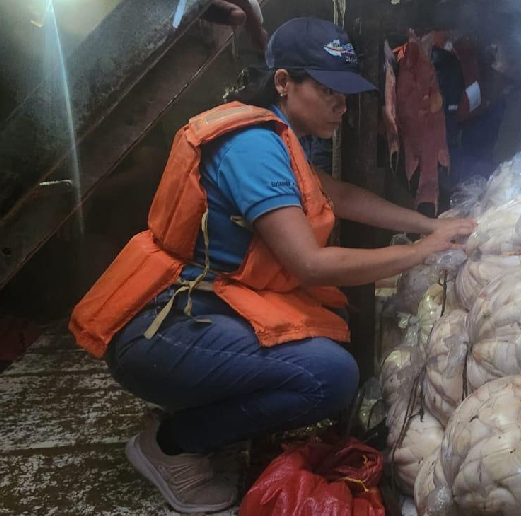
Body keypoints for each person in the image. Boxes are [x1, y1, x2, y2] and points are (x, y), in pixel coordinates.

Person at [69, 17, 475, 514]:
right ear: (284, 82)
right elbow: (310, 263)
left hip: (196, 310)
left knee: (329, 327)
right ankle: (172, 444)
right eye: (328, 90)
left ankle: (195, 410)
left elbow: (340, 195)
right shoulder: (253, 145)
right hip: (160, 328)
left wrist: (426, 225)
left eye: (345, 94)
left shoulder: (278, 135)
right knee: (329, 377)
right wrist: (420, 251)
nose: (340, 106)